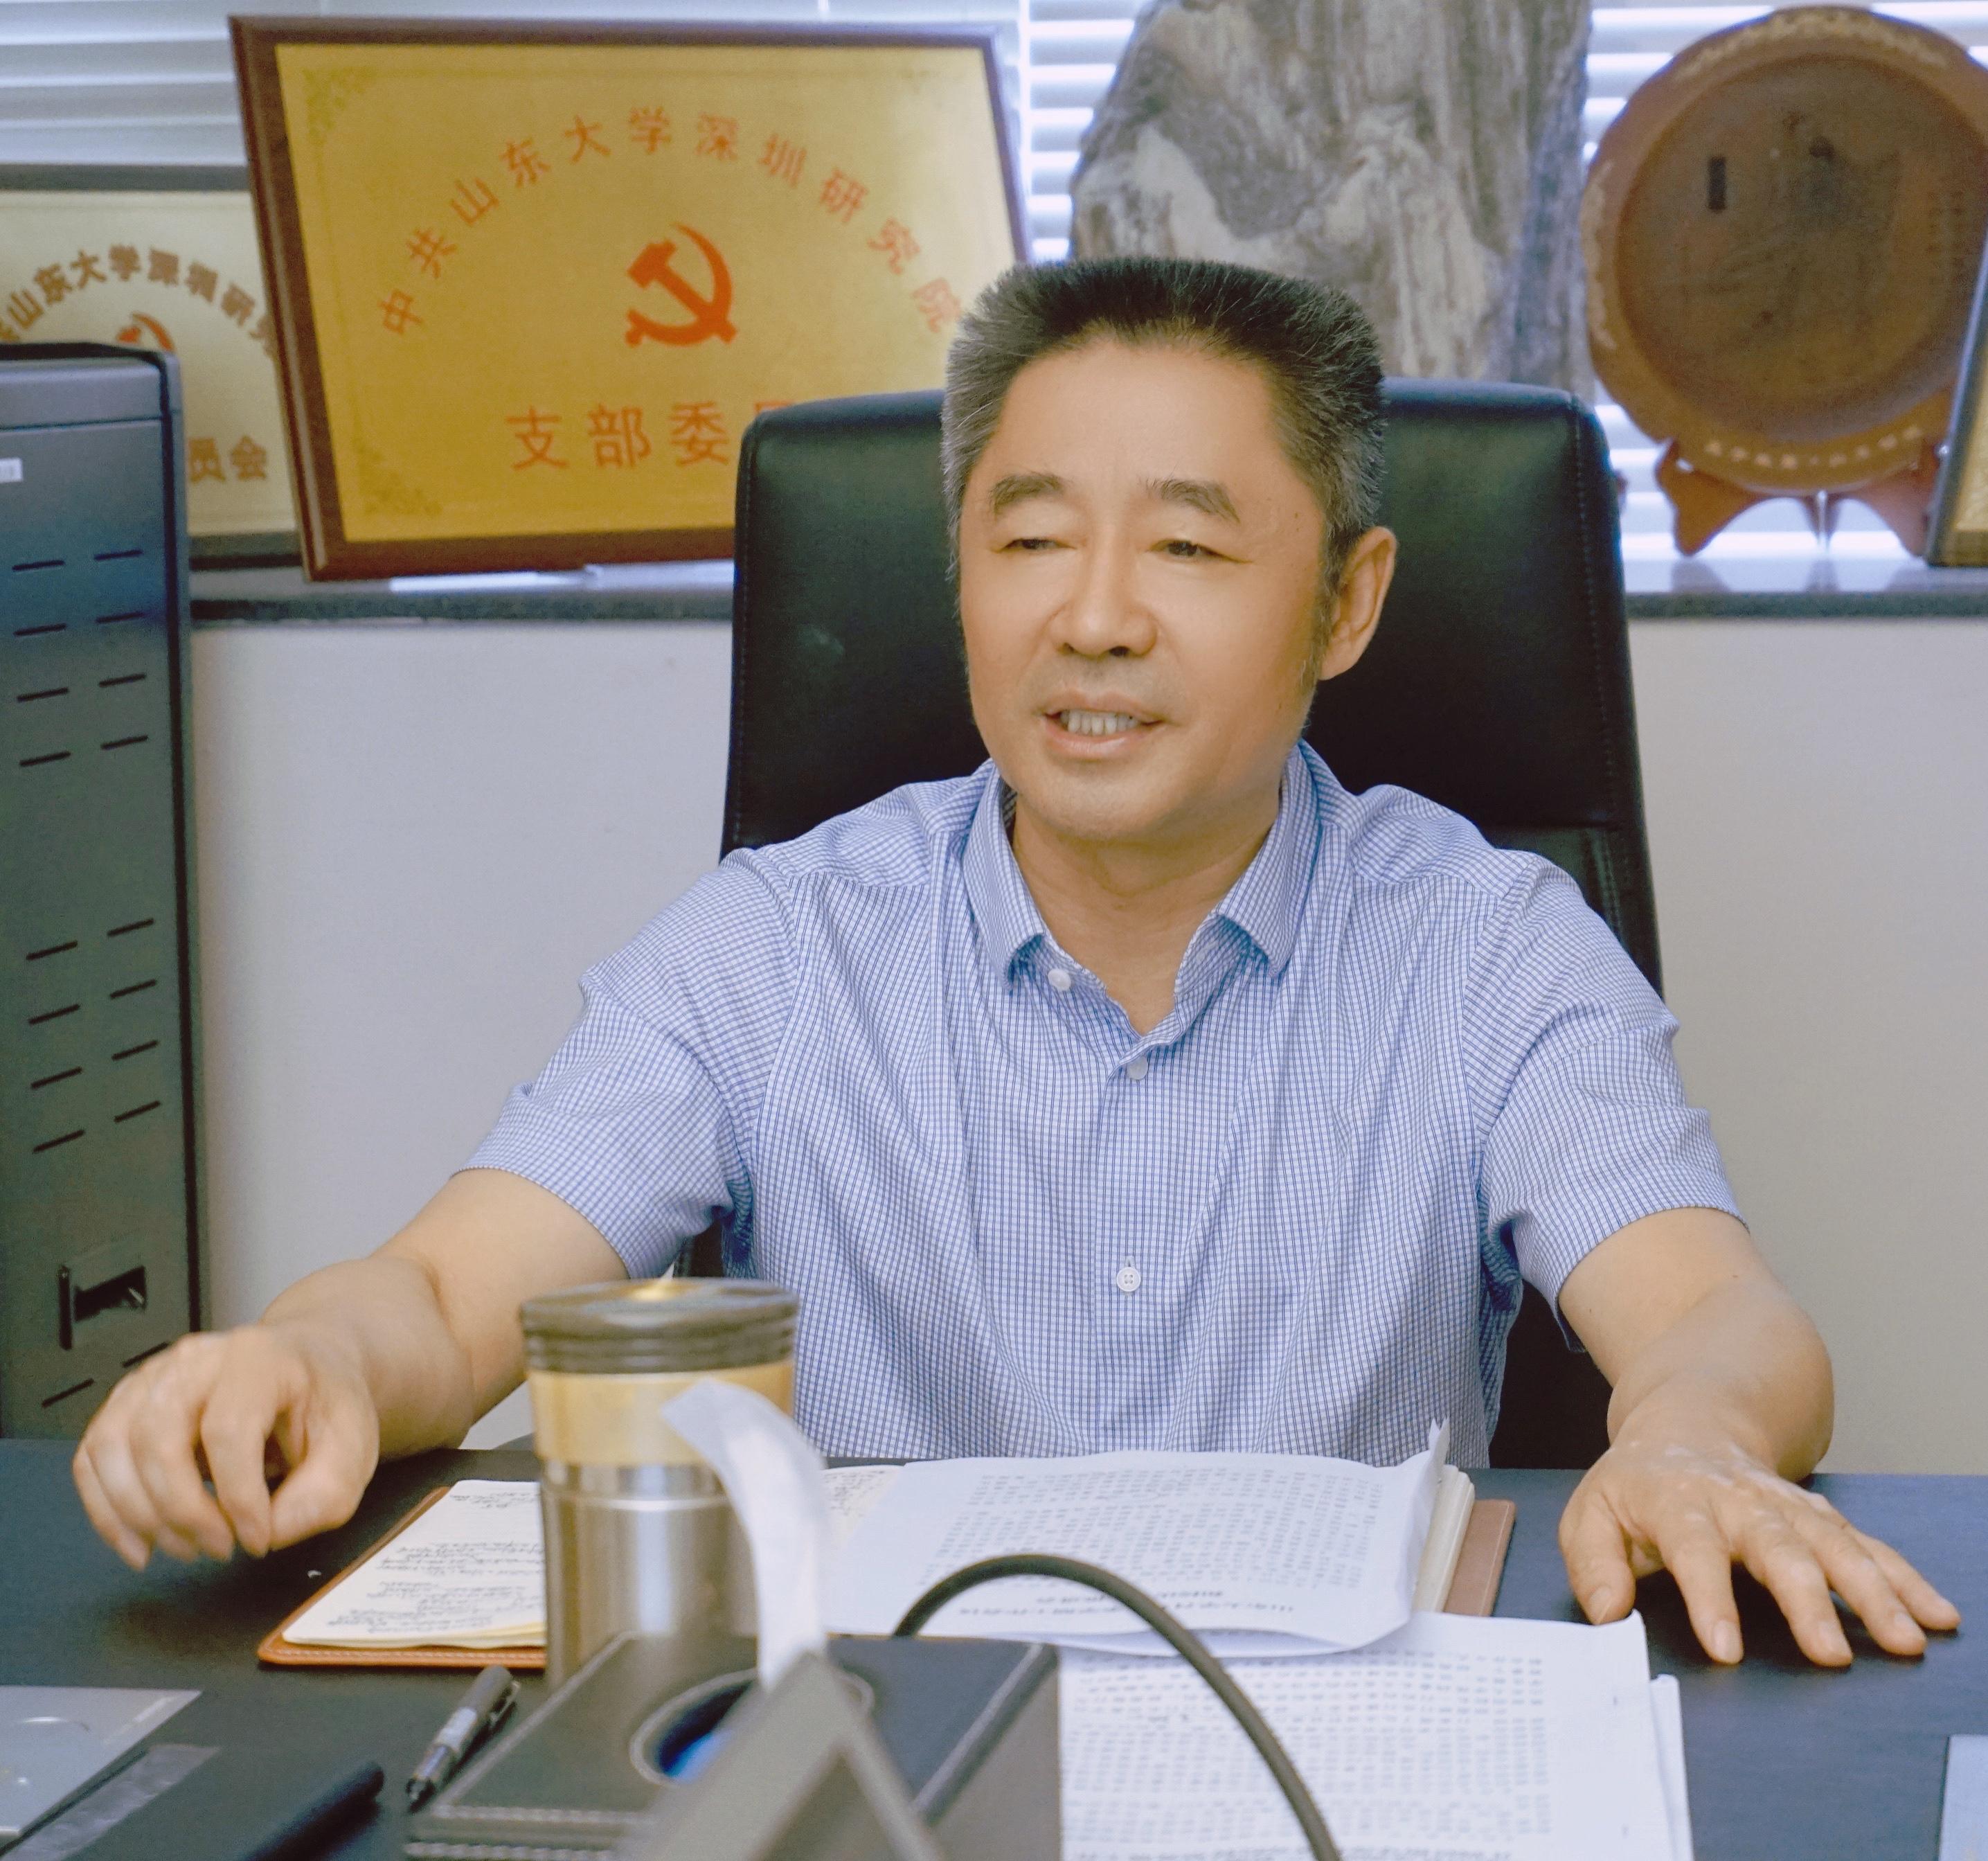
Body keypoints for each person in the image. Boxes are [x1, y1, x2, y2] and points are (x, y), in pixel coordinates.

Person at [75, 258, 1955, 1671]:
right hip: (881, 1768)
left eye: (1189, 549)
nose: (1096, 617)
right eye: (1032, 536)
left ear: (1348, 599)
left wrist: (1694, 1438)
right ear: (960, 571)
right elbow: (438, 1294)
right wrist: (301, 1358)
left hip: (1328, 1754)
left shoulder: (1483, 944)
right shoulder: (779, 943)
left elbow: (1720, 1321)